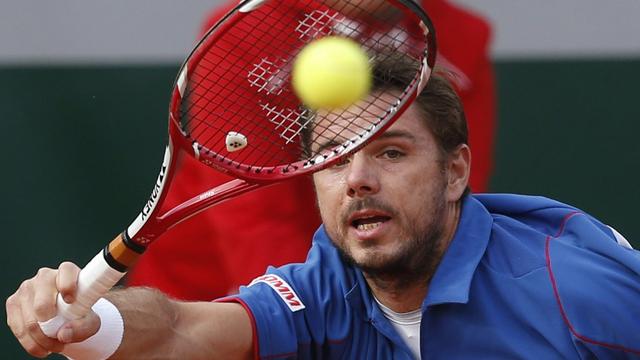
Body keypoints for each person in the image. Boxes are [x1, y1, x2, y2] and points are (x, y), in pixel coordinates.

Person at [7, 59, 639, 359]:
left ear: (455, 173)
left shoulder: (571, 294)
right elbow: (179, 327)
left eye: (390, 153)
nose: (357, 178)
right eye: (333, 157)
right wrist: (90, 325)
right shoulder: (327, 289)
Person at [126, 0, 496, 301]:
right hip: (212, 293)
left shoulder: (461, 37)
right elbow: (252, 222)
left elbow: (450, 195)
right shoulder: (243, 33)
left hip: (384, 294)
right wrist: (315, 315)